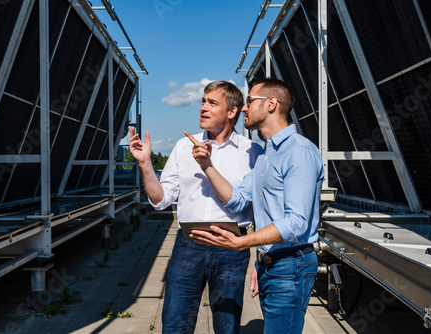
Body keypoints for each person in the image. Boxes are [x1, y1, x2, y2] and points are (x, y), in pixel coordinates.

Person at [186, 78, 324, 334]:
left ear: (271, 104)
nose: (244, 108)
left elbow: (296, 223)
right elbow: (238, 199)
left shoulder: (299, 152)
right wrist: (206, 166)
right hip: (272, 264)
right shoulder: (267, 154)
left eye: (250, 101)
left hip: (291, 267)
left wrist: (242, 243)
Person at [129, 80, 263, 334]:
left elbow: (261, 210)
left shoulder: (252, 152)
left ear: (232, 111)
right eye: (203, 101)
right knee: (174, 326)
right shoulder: (182, 147)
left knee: (227, 328)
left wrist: (261, 257)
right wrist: (145, 164)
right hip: (188, 248)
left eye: (212, 103)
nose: (203, 107)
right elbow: (160, 201)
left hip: (231, 251)